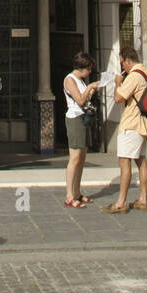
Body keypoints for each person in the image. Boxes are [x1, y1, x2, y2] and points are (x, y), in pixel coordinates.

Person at [102, 45, 147, 214]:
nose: (122, 66)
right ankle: (143, 199)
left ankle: (120, 202)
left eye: (122, 63)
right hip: (143, 123)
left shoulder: (134, 76)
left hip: (131, 124)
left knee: (124, 162)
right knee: (141, 160)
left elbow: (118, 98)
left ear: (128, 61)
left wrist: (118, 84)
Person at [63, 51, 101, 208]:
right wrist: (91, 86)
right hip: (75, 119)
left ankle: (77, 192)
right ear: (81, 68)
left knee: (82, 157)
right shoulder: (70, 80)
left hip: (83, 118)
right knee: (74, 158)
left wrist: (92, 89)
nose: (90, 72)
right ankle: (69, 195)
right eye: (88, 69)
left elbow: (85, 97)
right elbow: (79, 99)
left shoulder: (80, 80)